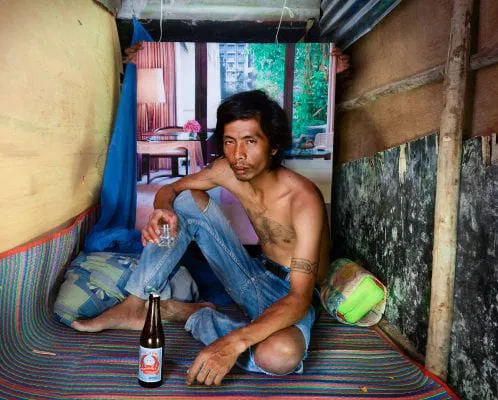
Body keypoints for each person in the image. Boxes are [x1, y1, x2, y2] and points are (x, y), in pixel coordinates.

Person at [71, 89, 331, 386]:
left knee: (280, 355)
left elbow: (299, 297)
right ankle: (134, 304)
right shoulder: (227, 170)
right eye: (229, 141)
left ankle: (194, 316)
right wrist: (162, 210)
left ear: (273, 146)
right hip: (252, 274)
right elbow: (170, 190)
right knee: (186, 201)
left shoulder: (303, 200)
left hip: (291, 293)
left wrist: (231, 344)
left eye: (250, 141)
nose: (238, 154)